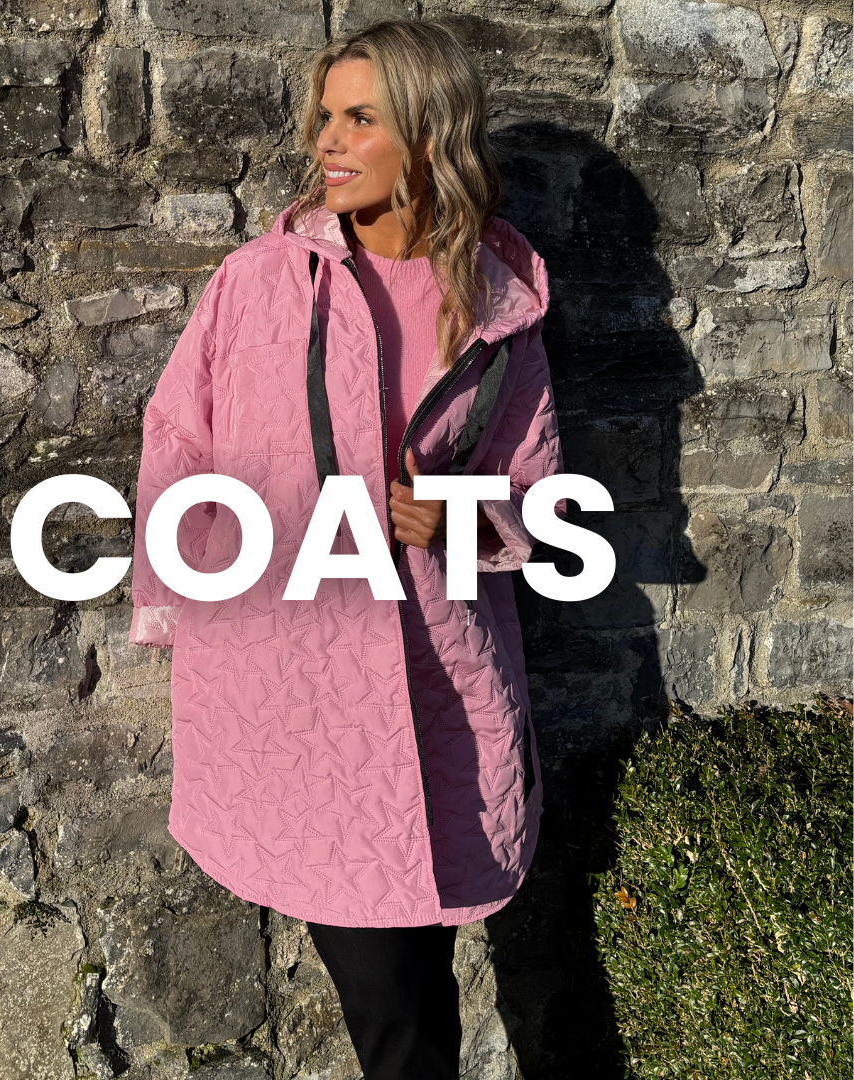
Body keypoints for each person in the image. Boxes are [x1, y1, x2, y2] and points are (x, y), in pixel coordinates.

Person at [128, 19, 564, 1080]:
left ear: (429, 136)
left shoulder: (499, 307)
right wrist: (184, 609)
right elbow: (180, 441)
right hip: (301, 683)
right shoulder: (258, 283)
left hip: (442, 675)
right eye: (325, 115)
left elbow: (538, 492)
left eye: (358, 118)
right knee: (393, 1010)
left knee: (431, 984)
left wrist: (459, 513)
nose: (326, 139)